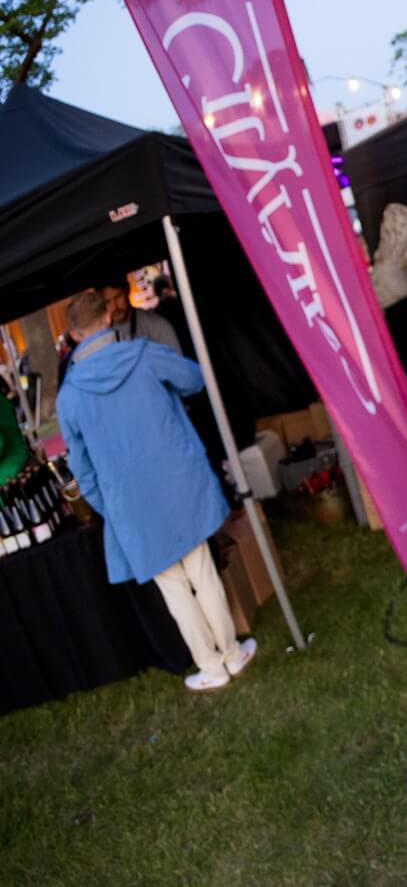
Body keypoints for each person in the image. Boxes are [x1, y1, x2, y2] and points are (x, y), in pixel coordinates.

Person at [55, 288, 255, 692]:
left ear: (74, 335)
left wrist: (108, 505)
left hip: (129, 502)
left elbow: (81, 469)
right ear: (107, 318)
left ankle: (212, 666)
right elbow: (193, 378)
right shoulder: (143, 354)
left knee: (173, 587)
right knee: (202, 569)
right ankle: (231, 654)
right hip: (178, 480)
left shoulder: (69, 398)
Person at [103, 276, 183, 353]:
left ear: (127, 289)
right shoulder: (102, 335)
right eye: (107, 301)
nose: (114, 306)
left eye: (118, 296)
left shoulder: (157, 325)